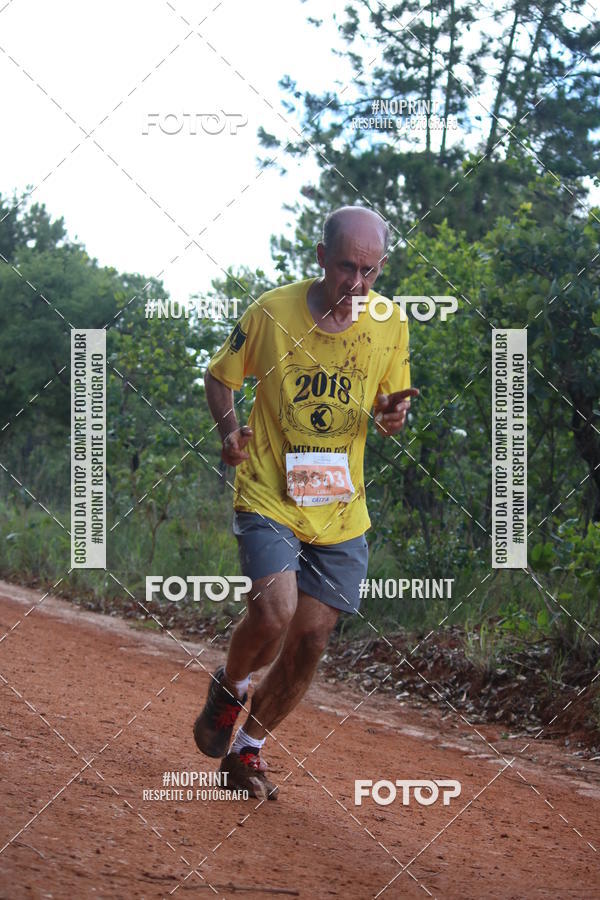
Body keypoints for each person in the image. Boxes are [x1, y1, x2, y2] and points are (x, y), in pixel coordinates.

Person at [193, 205, 418, 800]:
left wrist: (395, 413)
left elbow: (389, 405)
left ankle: (247, 752)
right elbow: (220, 377)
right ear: (321, 259)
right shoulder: (272, 312)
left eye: (370, 270)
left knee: (312, 638)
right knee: (274, 613)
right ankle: (232, 685)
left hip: (340, 503)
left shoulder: (390, 324)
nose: (358, 283)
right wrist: (227, 432)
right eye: (347, 267)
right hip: (269, 486)